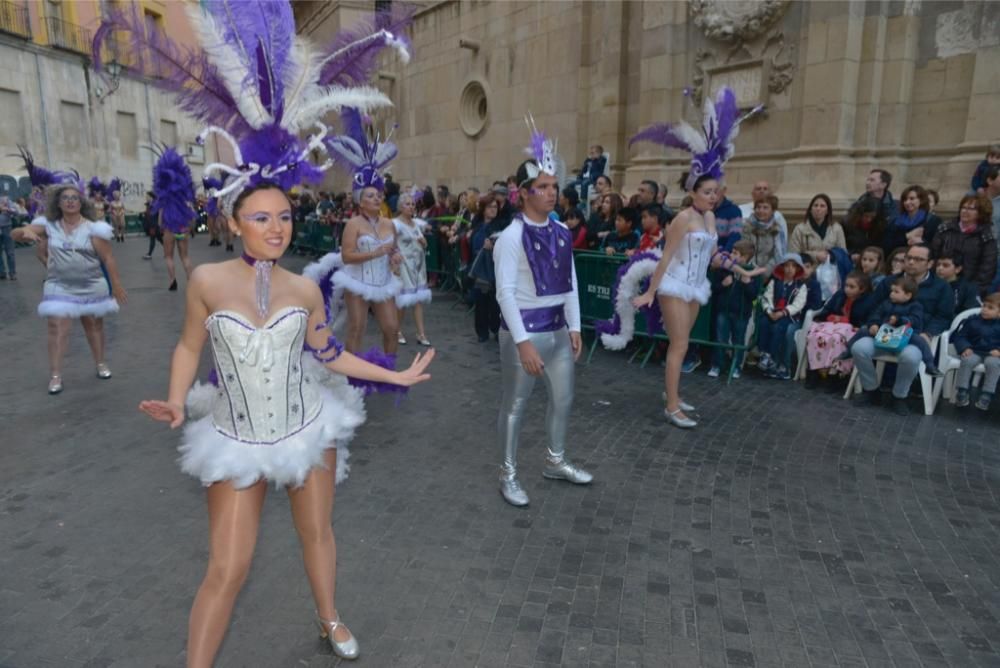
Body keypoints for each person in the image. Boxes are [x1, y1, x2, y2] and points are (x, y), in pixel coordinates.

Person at [94, 2, 417, 663]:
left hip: (304, 423)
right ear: (236, 221)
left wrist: (395, 374)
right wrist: (179, 399)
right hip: (237, 434)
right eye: (263, 218)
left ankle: (329, 618)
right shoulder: (210, 281)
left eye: (285, 218)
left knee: (317, 534)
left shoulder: (302, 290)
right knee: (227, 568)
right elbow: (190, 345)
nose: (277, 228)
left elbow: (328, 351)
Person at [630, 86, 762, 424]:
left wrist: (744, 272)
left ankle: (673, 393)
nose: (712, 197)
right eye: (706, 191)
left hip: (696, 285)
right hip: (674, 285)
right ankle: (671, 405)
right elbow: (666, 256)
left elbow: (714, 255)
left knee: (682, 345)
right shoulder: (683, 219)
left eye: (716, 192)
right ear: (692, 190)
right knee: (680, 346)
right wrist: (649, 292)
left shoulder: (710, 218)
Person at [494, 122, 591, 507]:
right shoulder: (511, 238)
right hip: (525, 335)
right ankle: (508, 473)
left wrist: (575, 325)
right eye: (544, 187)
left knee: (563, 400)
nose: (552, 193)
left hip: (557, 330)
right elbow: (504, 294)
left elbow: (570, 281)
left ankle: (555, 460)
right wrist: (522, 345)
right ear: (523, 194)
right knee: (515, 406)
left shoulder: (562, 232)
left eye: (554, 187)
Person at [11, 184, 128, 393]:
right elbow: (16, 234)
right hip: (59, 285)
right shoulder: (48, 225)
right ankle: (55, 376)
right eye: (65, 198)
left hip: (91, 284)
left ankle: (101, 363)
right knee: (56, 327)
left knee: (94, 326)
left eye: (75, 197)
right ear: (58, 203)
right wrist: (24, 231)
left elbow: (108, 258)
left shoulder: (94, 228)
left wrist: (116, 286)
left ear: (81, 202)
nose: (70, 201)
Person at [326, 108, 404, 357]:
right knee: (357, 328)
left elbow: (394, 249)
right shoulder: (354, 224)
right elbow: (347, 256)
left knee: (391, 329)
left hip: (382, 282)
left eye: (378, 194)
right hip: (358, 282)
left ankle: (388, 370)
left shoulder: (389, 224)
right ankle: (351, 375)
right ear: (361, 201)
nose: (376, 198)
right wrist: (376, 252)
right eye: (370, 195)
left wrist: (394, 256)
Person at [850, 244, 954, 415]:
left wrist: (928, 333)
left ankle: (899, 396)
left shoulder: (941, 287)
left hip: (914, 336)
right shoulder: (889, 282)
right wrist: (874, 323)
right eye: (909, 258)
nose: (911, 262)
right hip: (884, 333)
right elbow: (874, 307)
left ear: (929, 264)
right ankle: (872, 390)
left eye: (918, 259)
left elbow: (944, 316)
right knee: (859, 348)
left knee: (911, 357)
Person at [842, 276, 941, 376]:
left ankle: (930, 365)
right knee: (863, 330)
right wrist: (874, 324)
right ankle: (848, 350)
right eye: (891, 291)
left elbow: (915, 320)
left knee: (921, 341)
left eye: (896, 292)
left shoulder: (916, 306)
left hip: (904, 336)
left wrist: (899, 320)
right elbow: (875, 314)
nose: (891, 294)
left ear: (908, 295)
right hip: (885, 333)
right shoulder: (886, 303)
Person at [804, 271, 876, 387]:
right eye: (846, 285)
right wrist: (830, 317)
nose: (847, 289)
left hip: (851, 330)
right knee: (815, 335)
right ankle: (814, 370)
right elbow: (827, 310)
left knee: (837, 339)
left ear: (862, 289)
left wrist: (849, 322)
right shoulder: (840, 295)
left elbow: (867, 320)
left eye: (852, 287)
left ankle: (835, 373)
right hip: (832, 327)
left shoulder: (868, 301)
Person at [708, 240, 760, 378]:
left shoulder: (753, 272)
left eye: (735, 253)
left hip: (741, 313)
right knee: (720, 338)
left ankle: (736, 366)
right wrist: (723, 285)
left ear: (744, 257)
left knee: (738, 340)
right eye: (732, 252)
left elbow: (753, 295)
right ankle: (717, 365)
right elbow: (714, 288)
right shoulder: (725, 269)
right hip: (723, 310)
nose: (731, 255)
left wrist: (747, 283)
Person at [930, 193, 997, 296]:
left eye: (971, 209)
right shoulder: (945, 229)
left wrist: (975, 290)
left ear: (981, 213)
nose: (965, 211)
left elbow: (987, 268)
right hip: (941, 282)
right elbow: (933, 254)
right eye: (963, 207)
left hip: (969, 286)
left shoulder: (986, 236)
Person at [756, 253, 809, 380]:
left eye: (793, 266)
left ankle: (772, 357)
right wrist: (769, 311)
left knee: (778, 327)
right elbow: (767, 297)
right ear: (782, 267)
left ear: (797, 269)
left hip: (788, 316)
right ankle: (764, 353)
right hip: (773, 312)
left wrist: (783, 312)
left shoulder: (800, 286)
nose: (790, 269)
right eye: (787, 266)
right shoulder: (775, 282)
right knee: (763, 323)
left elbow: (798, 304)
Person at [151, 146, 197, 291]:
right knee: (185, 256)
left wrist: (160, 226)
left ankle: (172, 281)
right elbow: (191, 211)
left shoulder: (163, 195)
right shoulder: (184, 196)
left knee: (168, 256)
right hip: (182, 227)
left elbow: (160, 213)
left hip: (169, 228)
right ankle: (191, 281)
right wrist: (191, 225)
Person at [393, 192, 431, 346]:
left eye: (413, 204)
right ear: (401, 207)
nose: (411, 207)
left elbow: (424, 244)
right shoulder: (395, 224)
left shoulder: (416, 224)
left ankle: (421, 333)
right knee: (403, 300)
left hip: (418, 266)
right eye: (407, 204)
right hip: (403, 265)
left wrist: (424, 242)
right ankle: (397, 330)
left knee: (418, 300)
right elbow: (392, 245)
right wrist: (394, 264)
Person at [952, 293, 1000, 409]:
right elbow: (960, 336)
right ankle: (962, 391)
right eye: (984, 306)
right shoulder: (973, 320)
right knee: (967, 360)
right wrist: (965, 347)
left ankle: (986, 395)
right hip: (974, 350)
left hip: (993, 354)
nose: (984, 309)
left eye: (990, 308)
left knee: (993, 364)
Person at [469, 193, 505, 342]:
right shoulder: (477, 226)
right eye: (490, 207)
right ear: (483, 209)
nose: (493, 210)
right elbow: (474, 245)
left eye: (495, 207)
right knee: (481, 301)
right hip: (481, 269)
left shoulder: (500, 225)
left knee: (496, 302)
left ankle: (497, 329)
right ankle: (482, 332)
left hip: (495, 268)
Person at [788, 193, 846, 263]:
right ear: (810, 209)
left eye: (822, 206)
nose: (818, 209)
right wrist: (815, 256)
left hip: (831, 270)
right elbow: (793, 255)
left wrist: (830, 255)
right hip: (808, 270)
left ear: (827, 211)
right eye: (815, 205)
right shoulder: (800, 229)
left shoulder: (836, 229)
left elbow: (843, 254)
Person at [884, 184, 941, 252]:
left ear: (921, 200)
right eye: (905, 199)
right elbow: (886, 245)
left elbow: (936, 246)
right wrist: (907, 236)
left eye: (912, 199)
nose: (907, 202)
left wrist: (922, 243)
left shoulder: (933, 221)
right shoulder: (896, 221)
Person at [742, 194, 787, 270]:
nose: (761, 210)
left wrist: (765, 271)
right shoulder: (746, 226)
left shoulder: (777, 229)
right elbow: (744, 250)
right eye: (758, 207)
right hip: (748, 270)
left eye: (765, 208)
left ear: (773, 211)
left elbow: (777, 254)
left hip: (770, 272)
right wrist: (753, 270)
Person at [935, 249, 981, 314]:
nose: (940, 268)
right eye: (938, 265)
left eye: (945, 265)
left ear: (958, 269)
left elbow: (970, 312)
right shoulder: (930, 283)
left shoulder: (969, 288)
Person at [844, 194, 886, 259]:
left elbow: (881, 247)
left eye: (872, 217)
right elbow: (841, 246)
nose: (869, 220)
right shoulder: (847, 224)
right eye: (866, 216)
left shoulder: (879, 226)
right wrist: (851, 255)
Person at [0, 196, 17, 280]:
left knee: (10, 252)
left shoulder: (5, 199)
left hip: (6, 227)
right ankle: (1, 272)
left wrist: (7, 209)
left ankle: (12, 273)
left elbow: (16, 212)